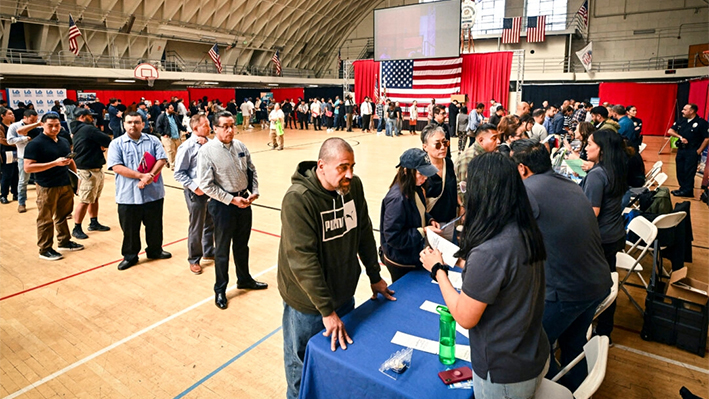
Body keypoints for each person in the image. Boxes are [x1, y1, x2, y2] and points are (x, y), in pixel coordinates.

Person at [420, 152, 549, 399]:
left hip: (506, 374)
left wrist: (438, 271)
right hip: (532, 353)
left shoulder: (491, 252)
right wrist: (462, 261)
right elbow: (505, 274)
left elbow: (465, 317)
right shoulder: (525, 229)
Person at [278, 137, 395, 399]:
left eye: (352, 166)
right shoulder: (299, 200)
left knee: (337, 362)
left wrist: (374, 276)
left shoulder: (353, 188)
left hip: (343, 295)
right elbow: (303, 260)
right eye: (342, 167)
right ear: (322, 166)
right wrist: (326, 311)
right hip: (308, 305)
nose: (349, 174)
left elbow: (363, 230)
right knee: (303, 364)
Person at [511, 140, 612, 390]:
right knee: (572, 344)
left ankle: (557, 390)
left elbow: (510, 243)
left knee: (531, 345)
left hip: (568, 290)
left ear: (522, 169)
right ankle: (576, 391)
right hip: (596, 283)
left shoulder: (528, 191)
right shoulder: (568, 183)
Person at [198, 111, 267, 309]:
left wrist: (253, 192)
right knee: (221, 250)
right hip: (222, 206)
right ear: (215, 128)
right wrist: (231, 199)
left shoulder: (240, 146)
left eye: (232, 125)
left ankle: (244, 279)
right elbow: (206, 185)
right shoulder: (207, 152)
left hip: (243, 202)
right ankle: (220, 289)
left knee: (242, 245)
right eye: (225, 126)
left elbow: (251, 170)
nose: (230, 130)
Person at [579, 129, 628, 342]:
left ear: (602, 149)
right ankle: (605, 326)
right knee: (608, 280)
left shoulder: (597, 175)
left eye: (590, 144)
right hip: (614, 234)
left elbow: (591, 214)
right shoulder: (614, 168)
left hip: (600, 238)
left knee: (596, 284)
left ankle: (596, 327)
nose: (586, 147)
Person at [107, 112, 171, 271]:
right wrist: (141, 176)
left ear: (143, 124)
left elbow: (161, 159)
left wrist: (149, 177)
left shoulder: (153, 140)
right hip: (128, 196)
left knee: (155, 226)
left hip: (153, 194)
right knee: (129, 229)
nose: (132, 125)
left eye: (136, 122)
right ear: (124, 124)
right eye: (129, 122)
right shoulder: (116, 143)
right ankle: (130, 256)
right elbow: (116, 167)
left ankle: (155, 250)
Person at [23, 113, 85, 260]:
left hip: (65, 183)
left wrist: (76, 179)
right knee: (45, 218)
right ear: (42, 125)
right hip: (47, 186)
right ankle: (45, 249)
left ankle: (64, 241)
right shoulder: (35, 144)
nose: (54, 128)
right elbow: (28, 167)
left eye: (57, 125)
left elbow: (69, 160)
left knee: (63, 215)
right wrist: (53, 163)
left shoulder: (63, 141)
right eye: (50, 125)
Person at [380, 148, 440, 282]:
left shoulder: (415, 187)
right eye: (421, 174)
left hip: (412, 254)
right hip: (401, 262)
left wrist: (429, 220)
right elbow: (393, 237)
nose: (425, 178)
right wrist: (423, 231)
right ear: (406, 171)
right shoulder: (397, 199)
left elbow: (417, 211)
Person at [174, 114, 215, 275]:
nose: (209, 127)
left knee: (210, 222)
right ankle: (194, 259)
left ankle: (208, 251)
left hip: (211, 191)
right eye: (205, 125)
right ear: (195, 128)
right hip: (195, 193)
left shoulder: (210, 143)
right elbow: (179, 173)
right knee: (196, 226)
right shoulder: (187, 147)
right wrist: (195, 187)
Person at [70, 108, 112, 240]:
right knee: (85, 200)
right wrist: (100, 143)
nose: (93, 118)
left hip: (92, 167)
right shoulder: (88, 129)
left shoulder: (78, 129)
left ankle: (94, 222)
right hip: (87, 169)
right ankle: (77, 228)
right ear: (82, 116)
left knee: (93, 198)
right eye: (90, 116)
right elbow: (107, 140)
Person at [667, 103, 709, 198]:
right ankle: (682, 188)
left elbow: (707, 138)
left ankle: (688, 190)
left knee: (689, 171)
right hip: (681, 150)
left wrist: (699, 151)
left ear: (692, 111)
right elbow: (670, 131)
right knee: (680, 170)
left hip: (692, 150)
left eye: (685, 110)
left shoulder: (701, 123)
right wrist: (680, 137)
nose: (682, 111)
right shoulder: (682, 121)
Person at [7, 109, 43, 213]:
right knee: (23, 181)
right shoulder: (15, 126)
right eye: (32, 120)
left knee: (40, 181)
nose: (34, 122)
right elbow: (10, 140)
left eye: (35, 120)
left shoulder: (38, 126)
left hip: (39, 157)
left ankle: (41, 202)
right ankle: (21, 203)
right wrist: (25, 139)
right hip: (23, 157)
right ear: (25, 118)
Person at [421, 125, 458, 225]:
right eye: (437, 144)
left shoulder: (448, 163)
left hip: (450, 221)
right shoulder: (421, 170)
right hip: (431, 225)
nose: (443, 147)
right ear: (425, 147)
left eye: (445, 142)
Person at [455, 123, 499, 204]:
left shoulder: (485, 155)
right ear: (481, 140)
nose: (498, 141)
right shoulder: (469, 158)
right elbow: (463, 192)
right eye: (494, 138)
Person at [155, 103, 186, 170]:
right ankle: (172, 166)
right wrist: (163, 134)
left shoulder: (175, 116)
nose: (173, 109)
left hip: (176, 136)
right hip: (168, 137)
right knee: (170, 151)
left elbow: (179, 124)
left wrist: (185, 129)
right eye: (171, 108)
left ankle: (176, 163)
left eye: (173, 108)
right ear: (167, 109)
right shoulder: (161, 117)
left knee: (179, 150)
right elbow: (158, 127)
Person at [0, 107, 18, 204]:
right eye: (10, 114)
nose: (12, 115)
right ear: (2, 116)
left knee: (16, 173)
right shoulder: (1, 126)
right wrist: (16, 143)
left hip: (16, 151)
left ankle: (15, 193)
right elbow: (2, 140)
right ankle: (3, 195)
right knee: (7, 174)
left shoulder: (15, 126)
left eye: (13, 114)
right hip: (6, 152)